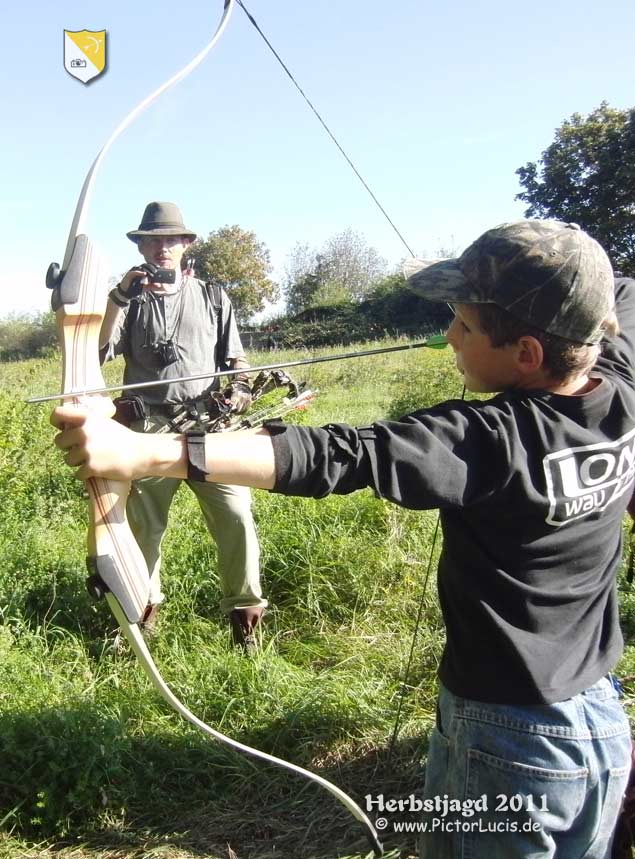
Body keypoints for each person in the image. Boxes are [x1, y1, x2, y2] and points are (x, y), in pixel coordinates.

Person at [55, 220, 635, 857]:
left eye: (464, 327)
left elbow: (341, 454)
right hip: (599, 716)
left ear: (526, 353)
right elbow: (619, 298)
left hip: (508, 738)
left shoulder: (487, 440)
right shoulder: (619, 390)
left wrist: (143, 453)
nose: (448, 338)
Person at [99, 200, 266, 648]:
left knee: (236, 517)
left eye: (170, 240)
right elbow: (95, 352)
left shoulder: (213, 296)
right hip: (148, 433)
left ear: (185, 245)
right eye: (152, 241)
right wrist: (118, 298)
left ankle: (245, 624)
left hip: (211, 429)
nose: (161, 249)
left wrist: (242, 386)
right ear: (142, 247)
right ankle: (138, 619)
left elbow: (237, 360)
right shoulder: (128, 301)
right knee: (144, 529)